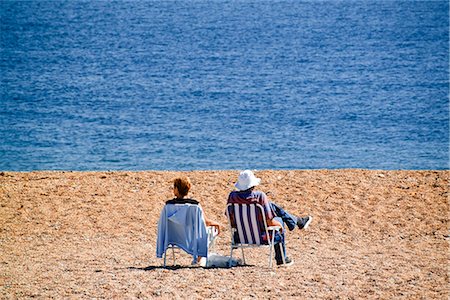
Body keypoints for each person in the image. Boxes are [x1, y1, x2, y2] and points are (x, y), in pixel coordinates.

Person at [227, 170, 312, 266]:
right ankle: (281, 259)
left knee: (271, 205)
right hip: (262, 238)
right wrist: (280, 225)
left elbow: (231, 220)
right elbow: (269, 221)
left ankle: (296, 221)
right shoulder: (259, 196)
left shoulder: (232, 197)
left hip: (240, 238)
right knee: (279, 219)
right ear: (253, 185)